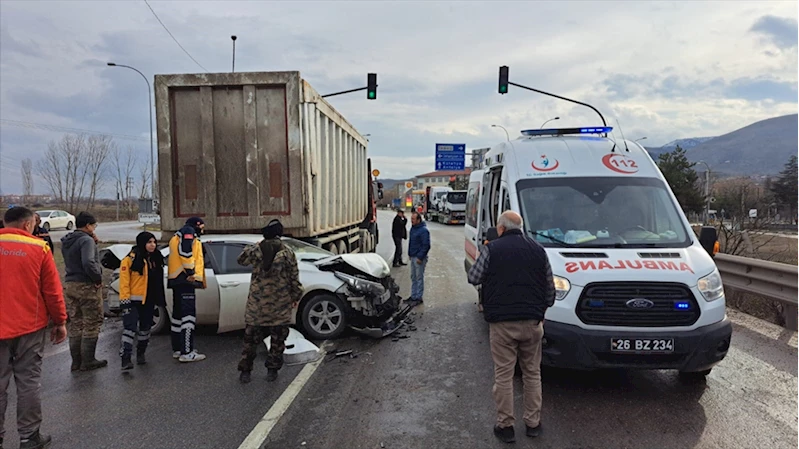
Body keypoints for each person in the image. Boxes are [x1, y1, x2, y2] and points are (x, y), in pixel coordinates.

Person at [467, 210, 555, 444]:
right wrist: (542, 311)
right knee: (533, 374)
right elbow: (550, 288)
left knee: (504, 375)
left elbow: (473, 277)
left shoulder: (493, 249)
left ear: (501, 228)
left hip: (502, 323)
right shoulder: (538, 250)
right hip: (532, 323)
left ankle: (505, 426)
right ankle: (533, 424)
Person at [0, 207, 67, 449]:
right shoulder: (38, 248)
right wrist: (60, 321)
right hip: (29, 326)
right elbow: (52, 291)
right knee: (28, 382)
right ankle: (29, 437)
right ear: (28, 225)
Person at [235, 219, 303, 383]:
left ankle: (246, 372)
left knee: (250, 341)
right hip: (280, 305)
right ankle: (272, 370)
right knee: (278, 339)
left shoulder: (256, 250)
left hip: (256, 305)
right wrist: (296, 297)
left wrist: (255, 245)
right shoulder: (287, 253)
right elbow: (294, 278)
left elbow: (240, 260)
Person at [61, 211, 106, 372]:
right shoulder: (86, 241)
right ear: (87, 225)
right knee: (92, 322)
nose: (94, 228)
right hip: (86, 285)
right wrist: (97, 278)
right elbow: (88, 261)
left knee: (76, 322)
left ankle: (76, 362)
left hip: (71, 283)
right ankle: (88, 360)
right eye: (94, 225)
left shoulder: (68, 240)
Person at [117, 232, 165, 370]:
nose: (152, 245)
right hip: (132, 301)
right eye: (149, 242)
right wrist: (125, 300)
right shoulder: (130, 260)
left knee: (145, 329)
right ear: (142, 243)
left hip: (149, 300)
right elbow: (124, 282)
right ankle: (125, 358)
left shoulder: (156, 258)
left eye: (154, 242)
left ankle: (141, 354)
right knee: (130, 330)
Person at [167, 217, 207, 363]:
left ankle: (178, 349)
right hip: (185, 280)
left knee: (178, 316)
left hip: (177, 280)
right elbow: (185, 252)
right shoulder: (188, 232)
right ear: (196, 225)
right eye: (201, 226)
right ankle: (187, 352)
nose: (202, 229)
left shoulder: (178, 234)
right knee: (188, 317)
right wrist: (190, 272)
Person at [406, 211, 430, 307]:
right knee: (413, 277)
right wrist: (410, 254)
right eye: (411, 219)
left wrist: (420, 257)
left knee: (419, 277)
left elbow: (426, 245)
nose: (411, 221)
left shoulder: (423, 231)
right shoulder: (413, 229)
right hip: (413, 256)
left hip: (419, 258)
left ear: (419, 220)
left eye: (413, 219)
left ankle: (418, 297)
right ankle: (413, 296)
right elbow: (412, 243)